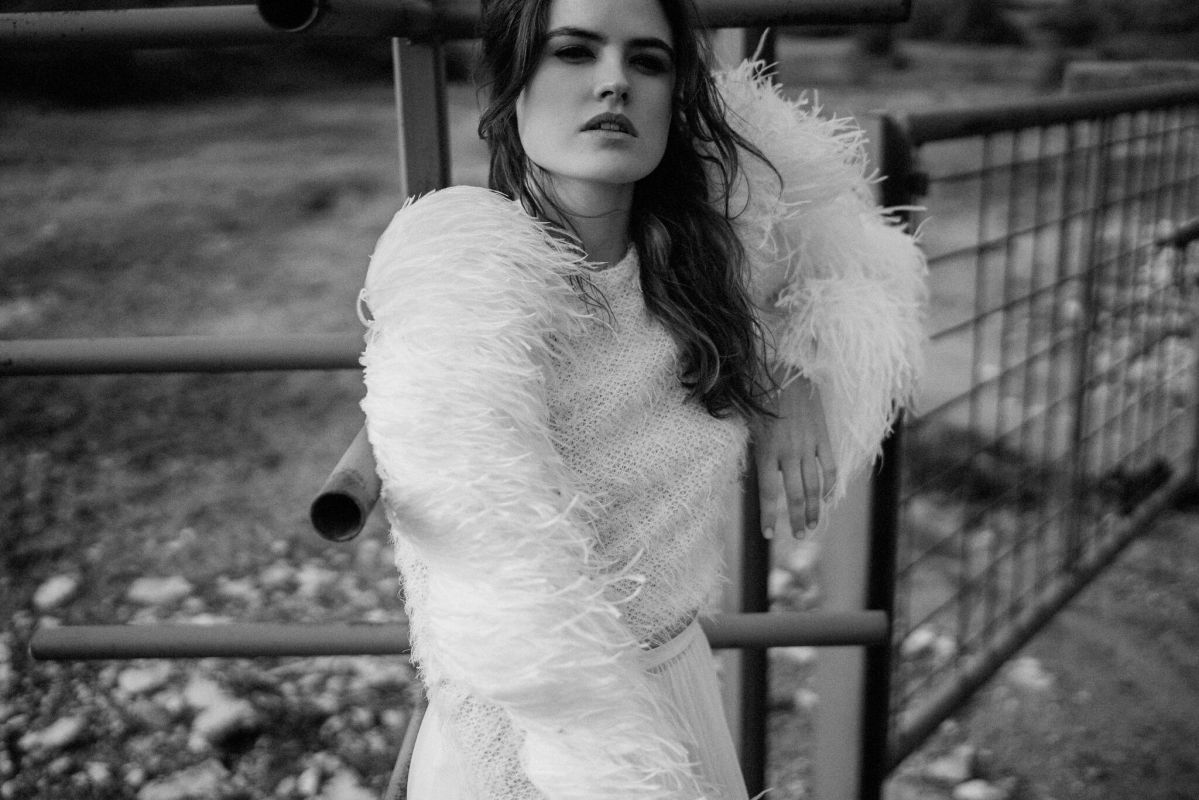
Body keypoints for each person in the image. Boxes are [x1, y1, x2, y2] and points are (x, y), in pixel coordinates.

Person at [357, 0, 926, 797]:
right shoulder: (467, 277)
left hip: (681, 687)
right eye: (573, 51)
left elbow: (834, 242)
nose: (614, 82)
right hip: (536, 732)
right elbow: (501, 612)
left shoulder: (701, 267)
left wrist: (797, 358)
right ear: (513, 81)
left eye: (647, 61)